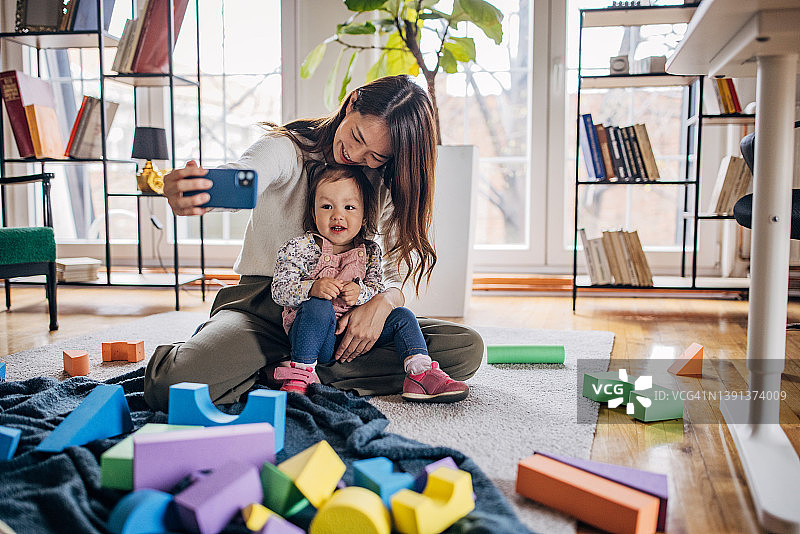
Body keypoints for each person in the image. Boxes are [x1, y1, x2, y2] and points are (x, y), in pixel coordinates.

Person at [143, 74, 483, 412]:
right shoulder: (287, 148)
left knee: (464, 348)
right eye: (357, 136)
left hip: (337, 321)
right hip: (262, 309)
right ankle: (281, 367)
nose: (355, 154)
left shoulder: (381, 179)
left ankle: (294, 371)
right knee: (171, 387)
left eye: (376, 155)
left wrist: (381, 304)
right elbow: (248, 173)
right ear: (352, 103)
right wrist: (202, 191)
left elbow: (392, 272)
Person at [271, 160, 469, 402]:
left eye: (349, 208)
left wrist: (361, 293)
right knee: (318, 304)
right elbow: (279, 290)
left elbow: (377, 289)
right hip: (315, 335)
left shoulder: (370, 251)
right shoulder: (298, 248)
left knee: (403, 316)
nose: (337, 215)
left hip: (353, 335)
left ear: (365, 216)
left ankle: (420, 374)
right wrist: (312, 287)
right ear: (313, 212)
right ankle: (300, 374)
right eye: (326, 206)